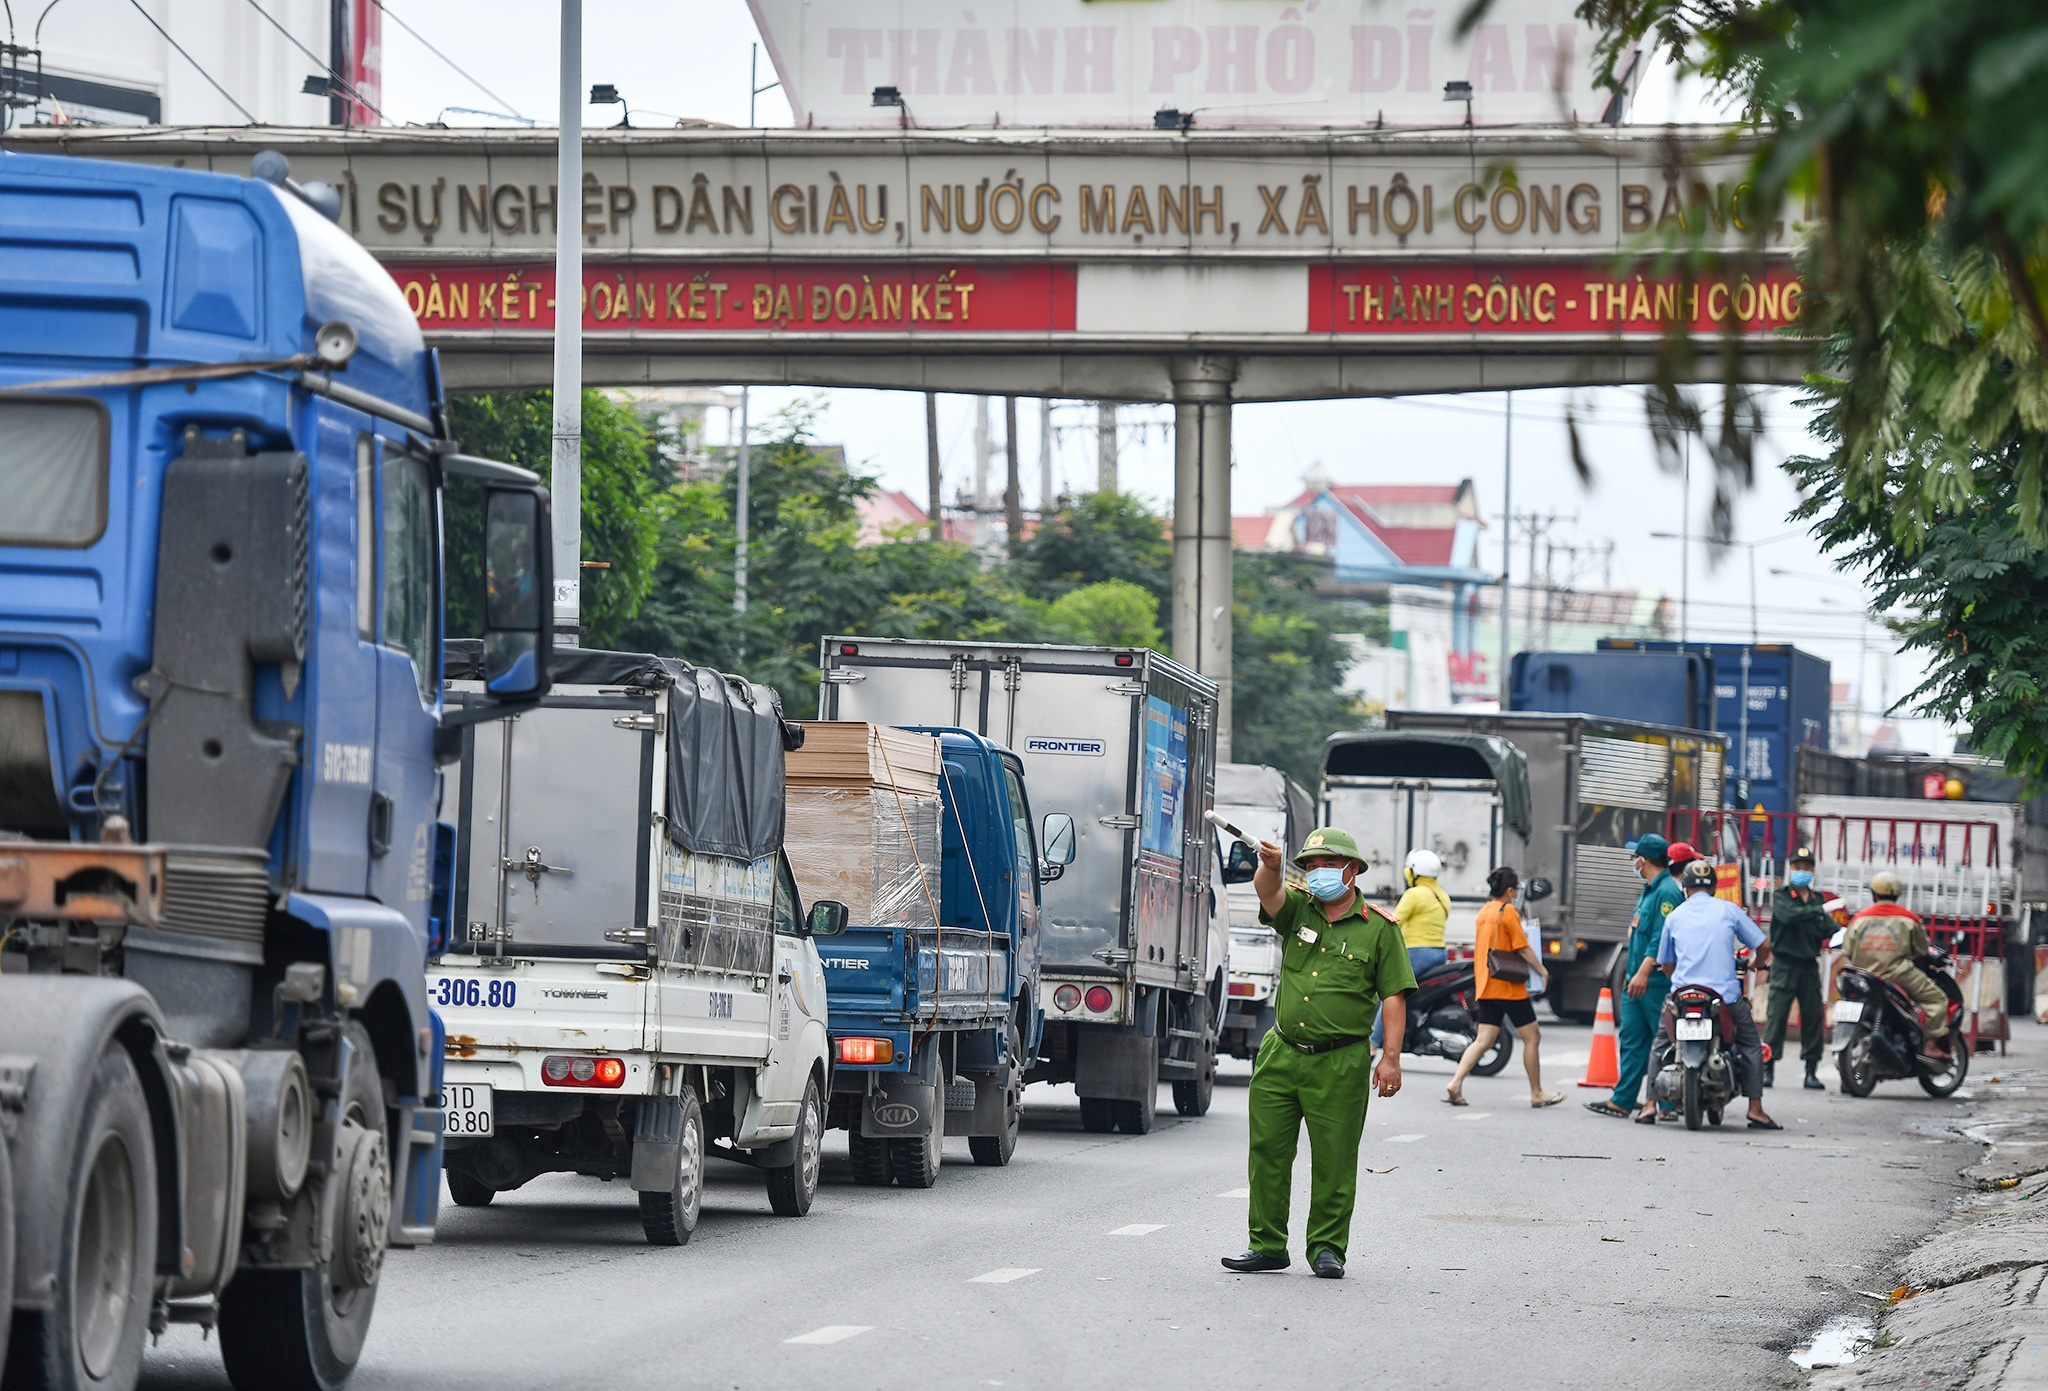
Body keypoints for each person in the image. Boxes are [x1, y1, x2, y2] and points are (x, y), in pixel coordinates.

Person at [1223, 826, 1416, 1281]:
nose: (1318, 873)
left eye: (1328, 865)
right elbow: (1268, 894)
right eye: (1311, 865)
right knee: (1268, 1151)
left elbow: (1393, 997)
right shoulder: (1298, 911)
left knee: (1334, 1157)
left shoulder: (1380, 930)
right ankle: (1267, 1244)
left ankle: (1327, 1248)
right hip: (1282, 1051)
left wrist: (1391, 1057)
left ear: (1352, 870)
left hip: (1341, 1060)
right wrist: (1270, 868)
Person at [1650, 858, 1779, 1128]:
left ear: (1685, 888)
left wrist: (1679, 984)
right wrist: (1756, 964)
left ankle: (1649, 1105)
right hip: (1724, 996)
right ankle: (1755, 1108)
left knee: (1660, 1044)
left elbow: (1666, 964)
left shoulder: (1675, 916)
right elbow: (1763, 945)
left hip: (1683, 995)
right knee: (1751, 1044)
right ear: (1714, 888)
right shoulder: (1728, 911)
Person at [1444, 866, 1561, 1107]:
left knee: (1484, 1039)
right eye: (1517, 888)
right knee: (1532, 1036)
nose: (1518, 892)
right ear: (1509, 891)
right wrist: (1542, 971)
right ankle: (1537, 1093)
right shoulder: (1508, 912)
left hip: (1486, 985)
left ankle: (1455, 1082)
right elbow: (1523, 947)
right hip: (1508, 986)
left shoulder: (1485, 911)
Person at [1585, 834, 1683, 1121]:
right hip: (1635, 979)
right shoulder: (1649, 890)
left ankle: (1666, 1104)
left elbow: (1661, 939)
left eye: (1635, 857)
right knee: (1632, 1040)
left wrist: (1642, 972)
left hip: (1653, 981)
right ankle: (1623, 1100)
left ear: (1646, 859)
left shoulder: (1667, 891)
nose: (1633, 862)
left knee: (1661, 1042)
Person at [1842, 870, 1950, 1056]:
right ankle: (1930, 1046)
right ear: (1897, 895)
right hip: (1898, 975)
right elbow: (1921, 950)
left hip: (1863, 976)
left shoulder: (1859, 919)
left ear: (1874, 894)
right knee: (1937, 1000)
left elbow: (1848, 951)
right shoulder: (1909, 919)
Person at [1764, 847, 1835, 1089]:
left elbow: (1829, 928)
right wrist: (1819, 912)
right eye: (1798, 867)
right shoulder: (1782, 895)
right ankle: (1767, 1068)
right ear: (1791, 869)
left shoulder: (1817, 900)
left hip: (1808, 965)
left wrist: (1845, 934)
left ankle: (1811, 1070)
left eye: (1807, 867)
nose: (1802, 871)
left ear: (1813, 870)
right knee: (1777, 1017)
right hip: (1784, 964)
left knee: (1814, 1016)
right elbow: (1790, 916)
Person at [1371, 849, 1450, 1048]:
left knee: (1391, 995)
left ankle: (1372, 1044)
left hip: (1417, 953)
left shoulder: (1414, 894)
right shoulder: (1442, 896)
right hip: (1439, 953)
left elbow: (1394, 922)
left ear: (1413, 872)